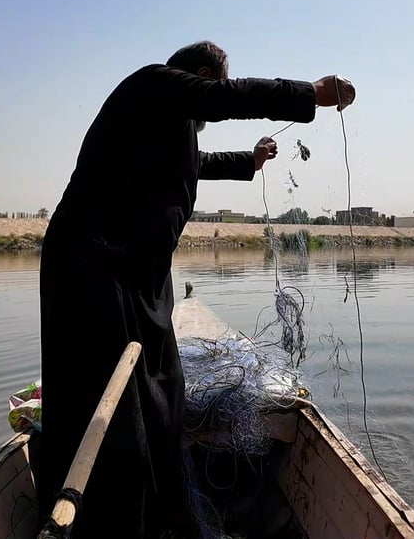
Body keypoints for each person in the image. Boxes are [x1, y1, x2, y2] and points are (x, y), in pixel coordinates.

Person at [32, 40, 355, 538]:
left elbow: (197, 162)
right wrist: (309, 94)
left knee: (165, 393)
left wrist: (249, 161)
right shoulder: (152, 84)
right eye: (212, 85)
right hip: (92, 271)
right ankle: (101, 522)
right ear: (201, 76)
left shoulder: (166, 131)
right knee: (107, 413)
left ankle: (159, 517)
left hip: (142, 279)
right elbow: (230, 97)